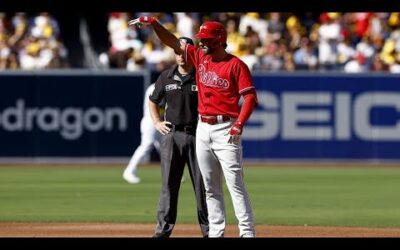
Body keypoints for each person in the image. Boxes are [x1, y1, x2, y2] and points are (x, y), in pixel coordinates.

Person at [129, 17, 258, 237]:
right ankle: (216, 233)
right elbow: (172, 42)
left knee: (235, 184)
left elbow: (250, 98)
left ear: (219, 41)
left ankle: (247, 233)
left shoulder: (236, 65)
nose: (201, 43)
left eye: (206, 39)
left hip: (226, 127)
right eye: (201, 39)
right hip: (203, 128)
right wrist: (154, 23)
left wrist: (239, 124)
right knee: (210, 186)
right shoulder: (200, 57)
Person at [148, 37, 209, 238]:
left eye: (184, 51)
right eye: (177, 51)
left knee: (203, 186)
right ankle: (163, 231)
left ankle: (210, 231)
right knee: (169, 186)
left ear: (192, 52)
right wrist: (157, 122)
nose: (181, 55)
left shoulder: (202, 76)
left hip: (197, 135)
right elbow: (153, 100)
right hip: (172, 135)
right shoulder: (166, 76)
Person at [122, 83, 161, 184]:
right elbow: (157, 104)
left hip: (159, 121)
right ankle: (129, 171)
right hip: (150, 121)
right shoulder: (155, 87)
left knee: (164, 147)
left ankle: (174, 173)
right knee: (146, 145)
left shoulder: (161, 85)